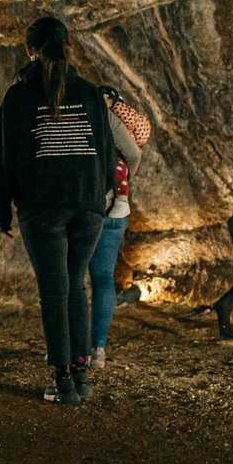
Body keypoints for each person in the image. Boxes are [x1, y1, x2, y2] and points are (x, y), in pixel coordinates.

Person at [0, 16, 116, 405]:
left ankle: (62, 380)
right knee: (76, 284)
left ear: (29, 50)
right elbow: (107, 152)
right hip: (88, 203)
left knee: (54, 290)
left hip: (43, 204)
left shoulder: (19, 96)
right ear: (68, 47)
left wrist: (0, 206)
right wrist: (101, 194)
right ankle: (80, 374)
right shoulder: (92, 93)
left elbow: (5, 155)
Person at [89, 86, 151, 367]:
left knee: (71, 278)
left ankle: (68, 345)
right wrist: (123, 180)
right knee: (103, 279)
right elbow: (134, 154)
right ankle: (97, 349)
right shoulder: (117, 117)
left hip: (84, 204)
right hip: (117, 206)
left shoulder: (83, 114)